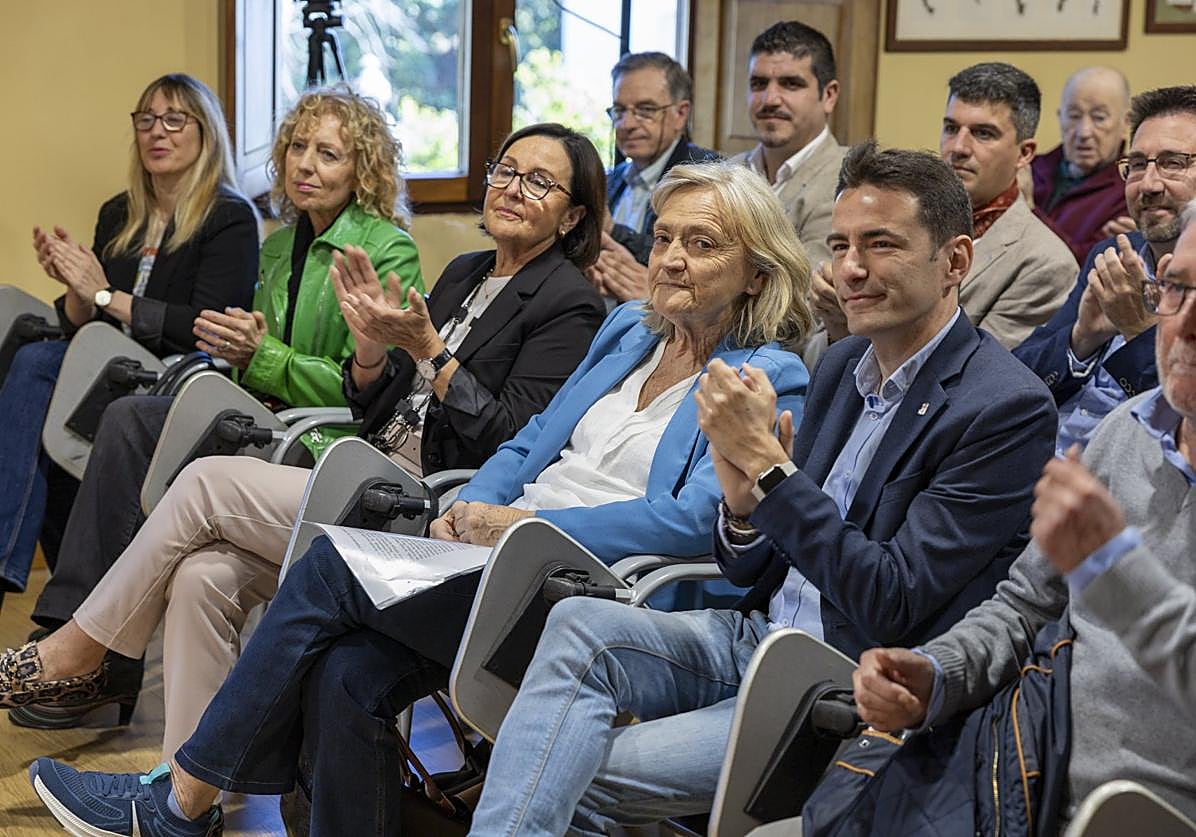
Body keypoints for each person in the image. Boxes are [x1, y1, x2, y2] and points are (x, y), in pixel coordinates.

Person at [21, 160, 816, 837]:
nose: (670, 259)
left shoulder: (771, 376)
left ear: (757, 270)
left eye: (701, 244)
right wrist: (473, 506)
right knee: (347, 672)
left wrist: (526, 522)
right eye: (665, 237)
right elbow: (531, 440)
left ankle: (181, 800)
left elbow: (694, 520)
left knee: (332, 563)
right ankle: (193, 799)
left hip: (590, 591)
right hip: (496, 552)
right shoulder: (627, 334)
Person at [457, 142, 1059, 836]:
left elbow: (890, 600)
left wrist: (772, 477)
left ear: (955, 261)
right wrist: (745, 514)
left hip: (842, 681)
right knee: (576, 628)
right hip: (756, 635)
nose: (851, 268)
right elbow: (750, 565)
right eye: (841, 245)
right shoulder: (842, 365)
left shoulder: (1003, 406)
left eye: (881, 244)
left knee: (559, 766)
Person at [0, 123, 607, 755]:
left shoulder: (569, 303)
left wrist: (431, 350)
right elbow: (380, 406)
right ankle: (185, 790)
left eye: (540, 181)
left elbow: (511, 438)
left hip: (431, 509)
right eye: (505, 170)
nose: (513, 188)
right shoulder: (465, 271)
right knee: (203, 576)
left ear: (572, 217)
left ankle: (77, 650)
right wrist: (370, 355)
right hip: (368, 474)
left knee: (205, 479)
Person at [11, 85, 424, 731]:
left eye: (328, 154)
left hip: (327, 440)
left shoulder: (386, 247)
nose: (305, 164)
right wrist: (236, 349)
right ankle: (89, 642)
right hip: (262, 414)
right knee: (126, 413)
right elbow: (249, 352)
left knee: (131, 420)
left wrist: (261, 355)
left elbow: (372, 391)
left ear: (362, 170)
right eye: (297, 147)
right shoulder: (278, 245)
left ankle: (88, 650)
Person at [849, 197, 1196, 828]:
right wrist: (937, 673)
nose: (1186, 323)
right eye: (1177, 288)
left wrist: (1115, 571)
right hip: (1024, 770)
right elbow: (1025, 607)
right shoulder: (1129, 430)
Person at [0, 73, 260, 604]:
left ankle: (27, 578)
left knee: (38, 368)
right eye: (146, 120)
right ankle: (50, 592)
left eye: (174, 120)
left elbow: (204, 325)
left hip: (177, 377)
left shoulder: (229, 217)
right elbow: (86, 324)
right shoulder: (119, 213)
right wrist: (76, 286)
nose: (157, 132)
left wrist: (102, 294)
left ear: (206, 132)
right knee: (29, 359)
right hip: (110, 365)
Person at [812, 63, 1076, 358]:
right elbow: (814, 362)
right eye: (951, 128)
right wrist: (837, 325)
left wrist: (855, 325)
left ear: (1024, 153)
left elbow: (980, 371)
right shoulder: (894, 218)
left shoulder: (1045, 263)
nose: (958, 147)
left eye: (983, 133)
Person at [1015, 85, 1196, 452]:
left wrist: (1139, 332)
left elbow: (1186, 423)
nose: (1148, 185)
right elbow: (1017, 380)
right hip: (1040, 457)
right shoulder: (1114, 254)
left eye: (1173, 163)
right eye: (1138, 164)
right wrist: (1081, 338)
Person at [589, 51, 719, 305]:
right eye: (619, 110)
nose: (626, 124)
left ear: (681, 114)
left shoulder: (707, 176)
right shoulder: (611, 180)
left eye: (645, 110)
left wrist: (613, 231)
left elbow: (699, 260)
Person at [728, 20, 846, 268]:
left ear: (829, 96)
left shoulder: (849, 181)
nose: (770, 99)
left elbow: (807, 285)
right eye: (758, 84)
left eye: (791, 84)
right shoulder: (727, 173)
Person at [1032, 66, 1133, 263]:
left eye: (1099, 118)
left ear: (1125, 123)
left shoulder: (1130, 190)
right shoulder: (1031, 168)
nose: (1084, 132)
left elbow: (1087, 263)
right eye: (1074, 116)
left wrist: (1029, 209)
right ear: (1060, 117)